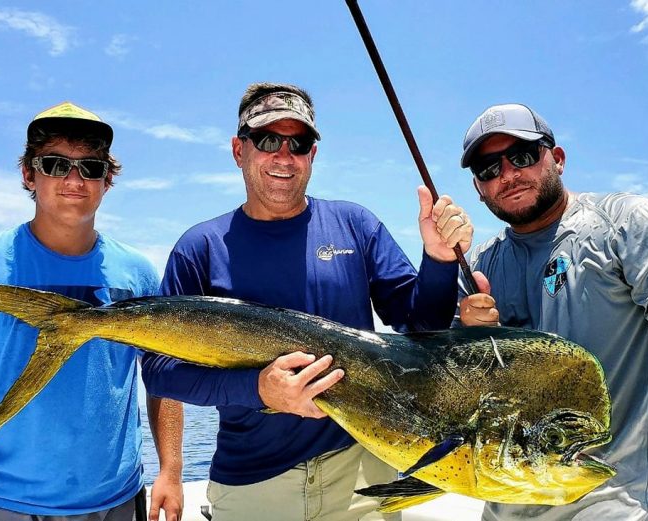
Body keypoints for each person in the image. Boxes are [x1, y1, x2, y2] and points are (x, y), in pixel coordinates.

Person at [141, 82, 473, 521]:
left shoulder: (356, 224)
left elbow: (418, 325)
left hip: (359, 472)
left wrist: (439, 260)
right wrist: (256, 389)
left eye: (298, 143)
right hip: (253, 484)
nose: (284, 155)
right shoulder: (200, 247)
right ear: (239, 150)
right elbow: (160, 373)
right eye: (267, 140)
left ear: (312, 155)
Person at [456, 103, 648, 520]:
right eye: (488, 169)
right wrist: (467, 334)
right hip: (504, 507)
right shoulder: (479, 264)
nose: (507, 174)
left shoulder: (628, 224)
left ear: (556, 159)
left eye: (521, 156)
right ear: (479, 188)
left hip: (619, 505)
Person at [0, 101, 184, 521]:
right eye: (55, 164)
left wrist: (172, 471)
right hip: (1, 504)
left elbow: (160, 376)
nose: (74, 179)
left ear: (107, 181)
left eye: (91, 167)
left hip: (118, 502)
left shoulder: (137, 272)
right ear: (29, 173)